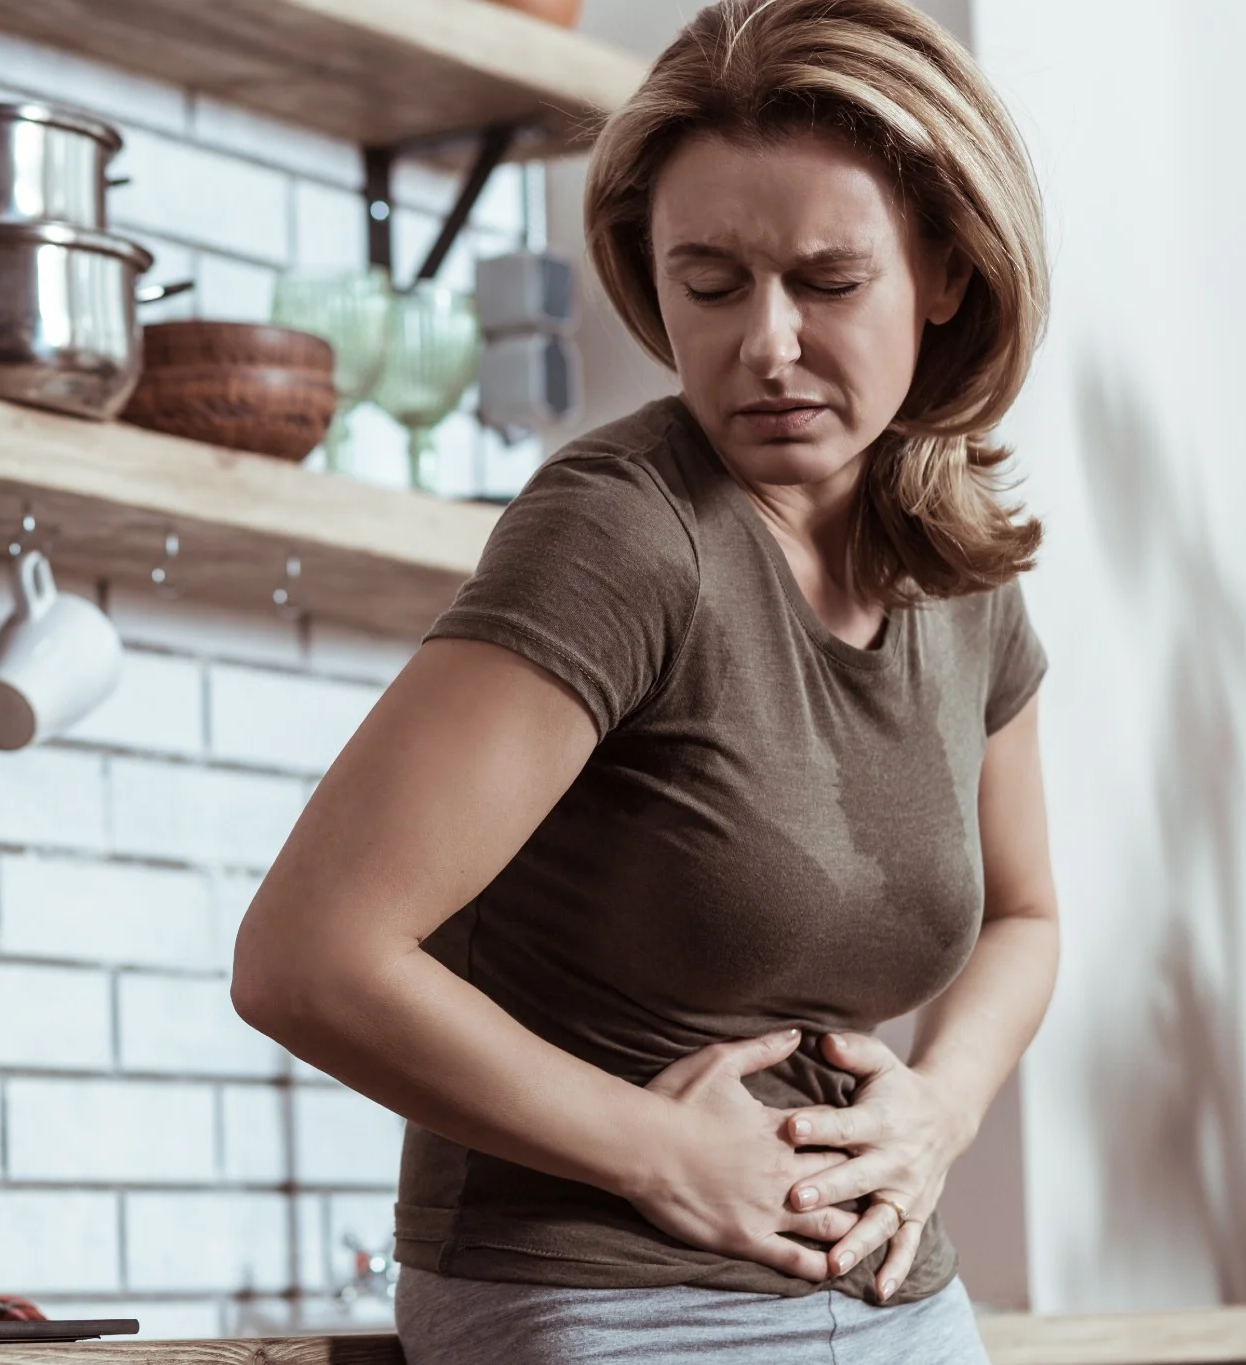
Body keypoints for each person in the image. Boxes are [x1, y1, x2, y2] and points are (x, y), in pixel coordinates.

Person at [231, 0, 1057, 1359]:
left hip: (906, 1302)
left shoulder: (950, 561)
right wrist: (661, 1155)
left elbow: (1027, 914)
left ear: (949, 270)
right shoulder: (622, 533)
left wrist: (939, 1110)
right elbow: (307, 959)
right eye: (711, 284)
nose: (767, 345)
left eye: (829, 282)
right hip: (610, 1302)